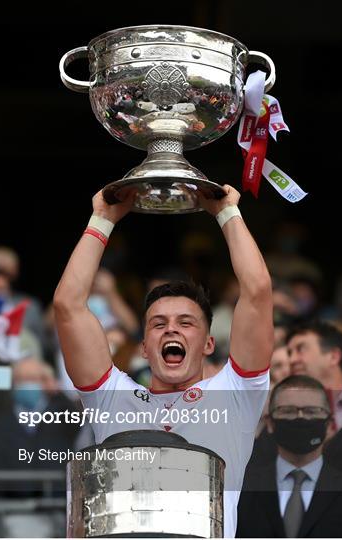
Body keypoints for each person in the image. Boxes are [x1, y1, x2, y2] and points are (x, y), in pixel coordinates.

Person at [53, 185, 274, 538]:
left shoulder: (236, 393)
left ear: (208, 344)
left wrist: (226, 212)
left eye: (186, 323)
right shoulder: (111, 398)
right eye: (159, 324)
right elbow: (68, 307)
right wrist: (103, 220)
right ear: (144, 347)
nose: (171, 329)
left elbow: (258, 291)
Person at [236, 375, 342, 538]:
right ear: (270, 423)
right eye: (288, 411)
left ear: (328, 424)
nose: (300, 418)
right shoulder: (240, 488)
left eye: (311, 411)